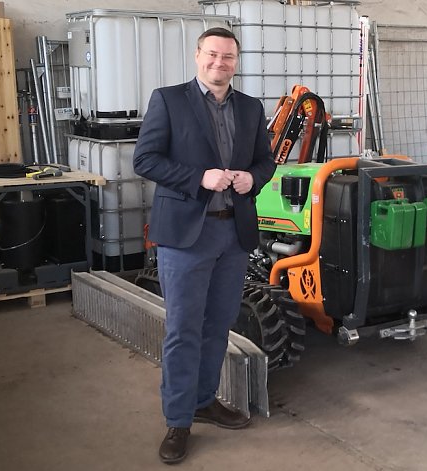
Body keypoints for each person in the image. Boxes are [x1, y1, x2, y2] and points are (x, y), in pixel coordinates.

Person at [133, 27, 276, 463]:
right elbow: (145, 159)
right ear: (197, 56)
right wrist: (198, 178)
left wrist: (255, 178)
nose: (220, 63)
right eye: (212, 55)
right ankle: (178, 421)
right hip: (185, 237)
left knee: (218, 325)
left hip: (233, 234)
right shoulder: (169, 100)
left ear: (237, 61)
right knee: (182, 330)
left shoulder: (251, 107)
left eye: (228, 57)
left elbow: (265, 160)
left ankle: (203, 400)